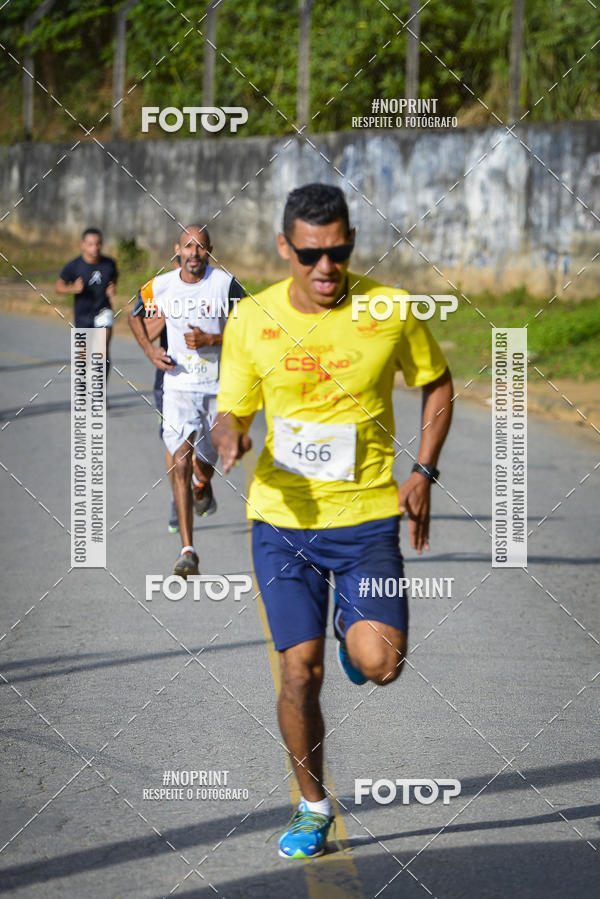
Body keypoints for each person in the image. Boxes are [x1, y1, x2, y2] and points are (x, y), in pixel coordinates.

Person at [212, 183, 453, 859]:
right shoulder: (252, 320)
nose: (327, 268)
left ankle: (357, 635)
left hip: (367, 520)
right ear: (285, 248)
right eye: (311, 254)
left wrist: (424, 472)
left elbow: (437, 382)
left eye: (339, 251)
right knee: (299, 671)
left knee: (381, 663)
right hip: (282, 521)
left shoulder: (389, 309)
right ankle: (313, 805)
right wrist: (229, 434)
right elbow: (232, 408)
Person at [129, 225, 245, 576]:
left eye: (202, 247)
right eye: (188, 246)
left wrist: (214, 336)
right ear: (177, 249)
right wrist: (150, 350)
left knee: (204, 462)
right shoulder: (160, 285)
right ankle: (188, 550)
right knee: (179, 459)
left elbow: (254, 326)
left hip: (217, 388)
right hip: (177, 386)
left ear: (210, 251)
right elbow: (133, 314)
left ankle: (201, 482)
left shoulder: (226, 284)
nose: (194, 253)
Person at [55, 227, 118, 379]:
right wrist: (72, 288)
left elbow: (113, 278)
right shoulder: (74, 265)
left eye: (98, 244)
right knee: (82, 357)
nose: (95, 248)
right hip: (83, 314)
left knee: (102, 351)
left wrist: (112, 288)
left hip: (103, 310)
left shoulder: (109, 263)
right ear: (83, 245)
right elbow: (58, 287)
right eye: (90, 244)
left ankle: (100, 391)